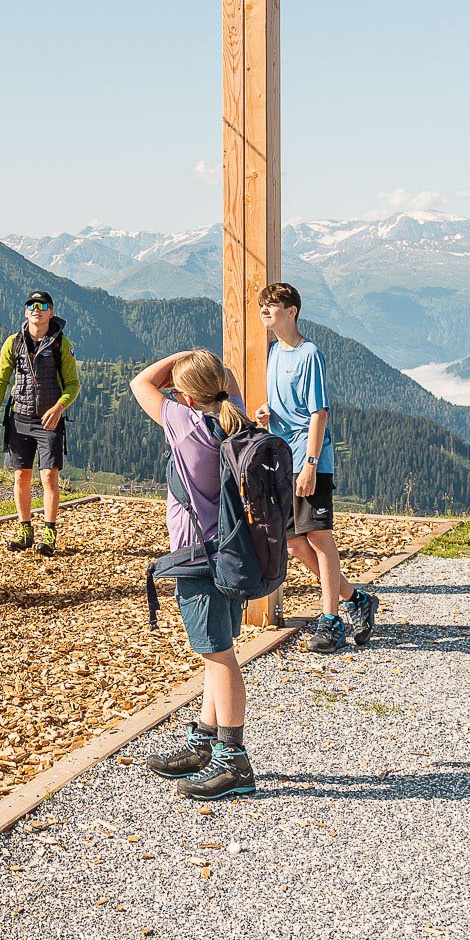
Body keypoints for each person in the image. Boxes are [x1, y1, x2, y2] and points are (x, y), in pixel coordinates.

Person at [129, 348, 259, 800]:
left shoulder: (186, 426)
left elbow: (141, 383)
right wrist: (203, 368)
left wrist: (182, 357)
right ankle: (205, 740)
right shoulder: (234, 418)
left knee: (220, 657)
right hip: (232, 553)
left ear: (185, 396)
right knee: (215, 651)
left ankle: (233, 760)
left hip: (197, 558)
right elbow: (229, 381)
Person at [255, 282, 379, 652]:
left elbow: (318, 413)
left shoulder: (310, 354)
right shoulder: (274, 352)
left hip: (309, 460)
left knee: (319, 538)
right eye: (262, 305)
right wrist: (267, 411)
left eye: (271, 305)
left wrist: (310, 464)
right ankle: (356, 598)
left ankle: (331, 620)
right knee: (294, 543)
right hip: (281, 458)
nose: (264, 311)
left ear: (291, 311)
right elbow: (286, 403)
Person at [0, 290, 80, 553]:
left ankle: (49, 534)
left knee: (49, 476)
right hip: (19, 418)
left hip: (50, 420)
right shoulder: (13, 342)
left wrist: (59, 408)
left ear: (51, 312)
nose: (36, 309)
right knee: (21, 475)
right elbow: (0, 379)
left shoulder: (62, 345)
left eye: (42, 305)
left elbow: (73, 384)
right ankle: (25, 531)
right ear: (25, 311)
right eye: (31, 305)